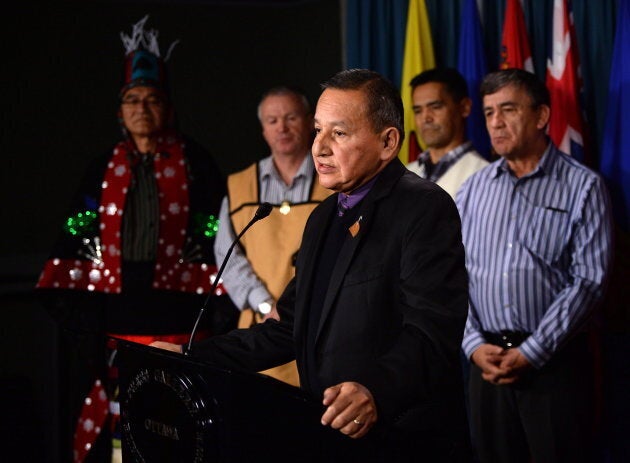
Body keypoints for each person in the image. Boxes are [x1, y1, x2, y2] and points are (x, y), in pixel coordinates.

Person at [152, 68, 472, 462]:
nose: (318, 147)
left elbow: (431, 332)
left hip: (403, 439)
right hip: (327, 435)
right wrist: (190, 357)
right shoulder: (323, 218)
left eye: (338, 133)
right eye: (318, 130)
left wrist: (375, 390)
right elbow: (288, 327)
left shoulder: (425, 208)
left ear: (388, 142)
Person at [35, 16, 235, 463]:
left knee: (181, 428)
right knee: (124, 434)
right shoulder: (102, 167)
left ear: (168, 108)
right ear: (119, 110)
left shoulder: (196, 163)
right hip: (117, 313)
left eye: (152, 100)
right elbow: (78, 225)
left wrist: (198, 256)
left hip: (181, 316)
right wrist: (81, 260)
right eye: (132, 100)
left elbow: (215, 228)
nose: (142, 108)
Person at [456, 68, 613, 463]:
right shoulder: (472, 190)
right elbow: (451, 275)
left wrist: (533, 350)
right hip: (484, 365)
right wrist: (473, 345)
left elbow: (589, 281)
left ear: (542, 116)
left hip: (553, 367)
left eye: (508, 110)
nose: (495, 122)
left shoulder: (583, 186)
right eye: (489, 112)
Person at [214, 86, 332, 386]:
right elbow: (228, 257)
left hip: (321, 331)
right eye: (272, 120)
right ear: (263, 130)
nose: (282, 127)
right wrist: (267, 306)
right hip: (258, 332)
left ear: (309, 123)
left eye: (291, 117)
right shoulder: (238, 186)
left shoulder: (334, 181)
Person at [406, 67, 488, 199]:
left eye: (435, 107)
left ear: (464, 107)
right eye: (418, 111)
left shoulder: (484, 176)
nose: (426, 118)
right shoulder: (404, 174)